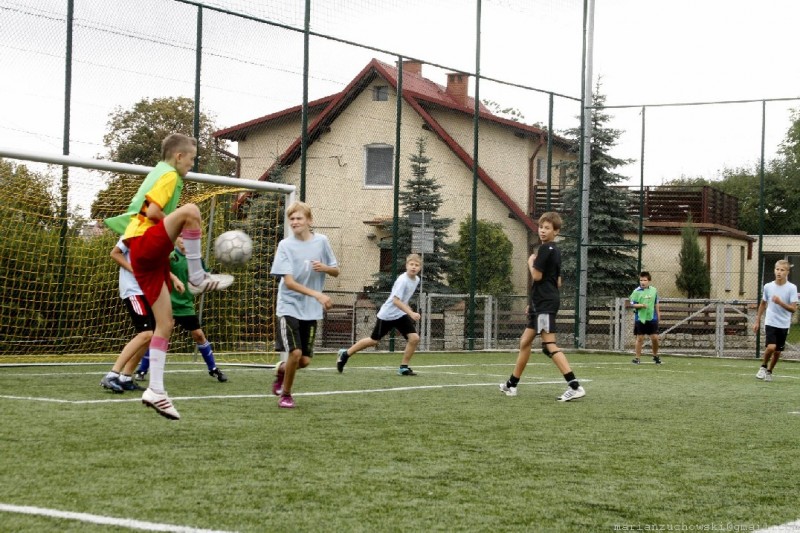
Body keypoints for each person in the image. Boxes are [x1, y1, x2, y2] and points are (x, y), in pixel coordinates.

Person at [104, 133, 233, 420]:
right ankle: (198, 276)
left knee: (165, 324)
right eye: (192, 159)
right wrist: (177, 230)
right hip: (143, 244)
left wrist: (173, 238)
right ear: (178, 156)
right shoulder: (170, 175)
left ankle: (156, 391)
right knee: (191, 211)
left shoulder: (159, 172)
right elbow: (153, 211)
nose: (192, 164)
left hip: (146, 258)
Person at [499, 212, 585, 402]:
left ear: (556, 231)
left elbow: (537, 276)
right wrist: (533, 304)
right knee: (525, 342)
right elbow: (557, 282)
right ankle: (511, 385)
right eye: (541, 227)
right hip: (542, 303)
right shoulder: (556, 250)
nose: (543, 231)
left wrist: (531, 262)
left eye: (547, 228)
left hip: (545, 304)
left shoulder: (545, 249)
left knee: (548, 346)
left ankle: (575, 386)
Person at [269, 201, 339, 408]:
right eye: (291, 219)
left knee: (304, 361)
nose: (294, 222)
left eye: (299, 218)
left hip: (310, 310)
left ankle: (282, 370)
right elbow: (289, 283)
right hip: (288, 306)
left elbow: (336, 271)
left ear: (309, 220)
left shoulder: (322, 241)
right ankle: (286, 395)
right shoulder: (285, 246)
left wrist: (325, 268)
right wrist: (318, 295)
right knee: (295, 353)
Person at [134, 236, 228, 383]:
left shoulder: (196, 258)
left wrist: (212, 282)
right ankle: (142, 370)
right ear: (176, 238)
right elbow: (157, 270)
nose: (184, 240)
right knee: (158, 336)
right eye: (181, 236)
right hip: (166, 303)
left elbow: (203, 279)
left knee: (198, 335)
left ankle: (213, 369)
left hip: (185, 304)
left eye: (187, 237)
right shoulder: (170, 255)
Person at [337, 254, 422, 376]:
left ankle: (403, 367)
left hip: (400, 315)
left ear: (420, 268)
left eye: (416, 265)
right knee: (373, 341)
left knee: (414, 338)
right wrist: (411, 313)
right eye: (411, 264)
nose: (413, 267)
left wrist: (408, 309)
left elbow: (403, 299)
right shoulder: (402, 280)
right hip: (387, 315)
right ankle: (345, 354)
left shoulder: (416, 280)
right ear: (406, 265)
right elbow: (396, 301)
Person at [100, 237, 152, 394]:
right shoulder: (133, 232)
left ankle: (126, 377)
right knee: (146, 334)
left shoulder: (155, 235)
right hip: (133, 290)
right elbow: (115, 253)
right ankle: (112, 375)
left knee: (151, 336)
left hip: (147, 290)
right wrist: (134, 270)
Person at [754, 259, 798, 382]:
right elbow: (763, 304)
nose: (779, 272)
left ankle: (769, 371)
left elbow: (793, 309)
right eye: (777, 269)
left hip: (784, 324)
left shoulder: (792, 288)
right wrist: (757, 320)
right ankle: (763, 367)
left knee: (777, 352)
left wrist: (780, 302)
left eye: (782, 270)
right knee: (771, 347)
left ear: (787, 272)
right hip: (770, 321)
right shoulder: (768, 286)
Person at [629, 271, 661, 365]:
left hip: (652, 318)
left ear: (649, 281)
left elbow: (656, 303)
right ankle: (637, 358)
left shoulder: (654, 290)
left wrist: (658, 313)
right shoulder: (636, 291)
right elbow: (632, 304)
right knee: (640, 338)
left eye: (645, 280)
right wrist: (641, 305)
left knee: (655, 338)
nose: (642, 282)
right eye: (641, 280)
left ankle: (655, 356)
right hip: (640, 318)